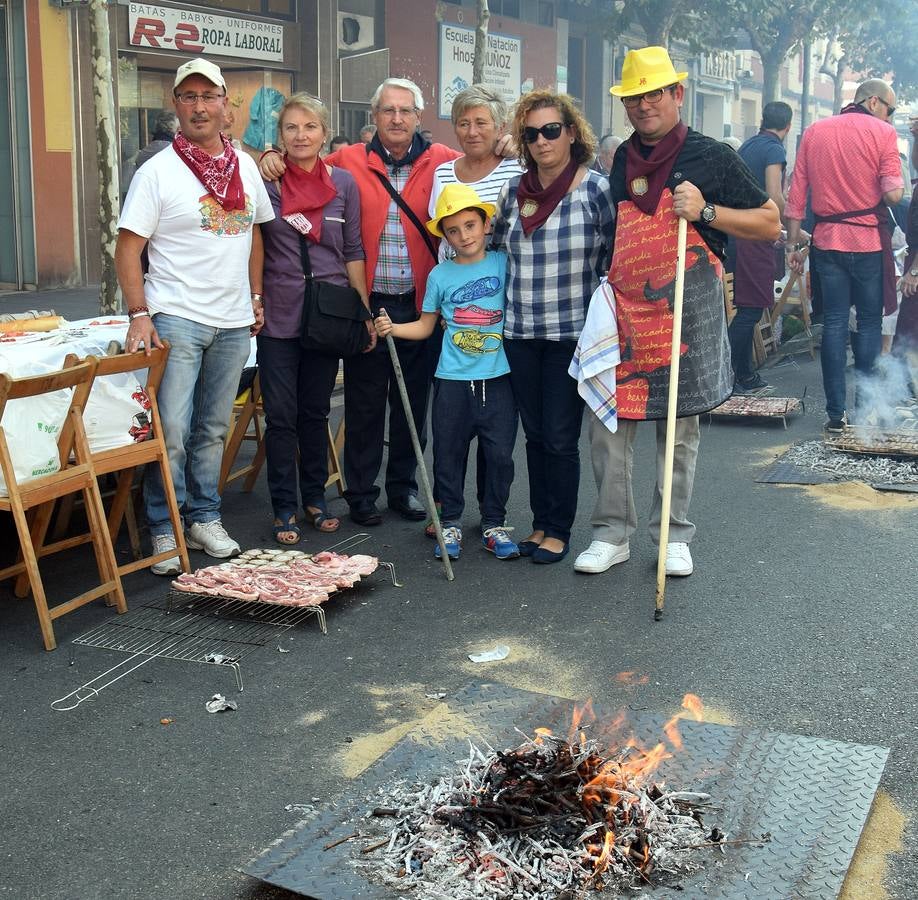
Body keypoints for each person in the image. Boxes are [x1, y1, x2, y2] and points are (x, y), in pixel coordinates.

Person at [573, 46, 779, 578]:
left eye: (655, 94)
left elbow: (770, 222)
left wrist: (707, 211)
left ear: (677, 95)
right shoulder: (622, 160)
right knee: (609, 424)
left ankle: (673, 534)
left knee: (680, 429)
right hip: (627, 310)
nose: (645, 105)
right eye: (635, 97)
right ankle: (611, 533)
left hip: (689, 310)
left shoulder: (713, 155)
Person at [259, 78, 461, 525]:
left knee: (413, 403)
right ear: (374, 116)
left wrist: (505, 144)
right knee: (365, 402)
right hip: (368, 301)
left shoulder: (443, 160)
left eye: (405, 111)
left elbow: (481, 159)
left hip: (422, 302)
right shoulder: (347, 161)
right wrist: (267, 156)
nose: (396, 118)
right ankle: (361, 494)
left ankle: (402, 489)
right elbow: (300, 162)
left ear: (418, 117)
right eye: (387, 110)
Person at [115, 58, 274, 574]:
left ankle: (205, 517)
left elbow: (254, 234)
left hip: (231, 320)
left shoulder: (245, 166)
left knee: (211, 428)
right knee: (174, 429)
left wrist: (255, 296)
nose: (200, 106)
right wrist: (140, 314)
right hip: (177, 315)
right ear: (176, 105)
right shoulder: (158, 170)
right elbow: (128, 246)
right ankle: (165, 527)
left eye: (209, 97)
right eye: (189, 97)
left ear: (226, 105)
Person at [490, 90, 615, 564]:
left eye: (551, 130)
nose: (542, 141)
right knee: (535, 434)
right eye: (531, 133)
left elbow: (611, 260)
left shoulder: (594, 189)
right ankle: (540, 524)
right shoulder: (512, 192)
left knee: (561, 436)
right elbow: (499, 251)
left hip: (571, 335)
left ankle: (559, 529)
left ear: (571, 133)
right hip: (520, 331)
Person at [374, 183, 518, 560]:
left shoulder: (504, 263)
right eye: (453, 230)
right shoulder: (440, 275)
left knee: (500, 455)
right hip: (452, 379)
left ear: (486, 225)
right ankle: (450, 521)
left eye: (470, 225)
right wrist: (394, 329)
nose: (463, 236)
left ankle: (494, 522)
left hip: (499, 377)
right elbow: (425, 325)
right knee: (449, 454)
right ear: (445, 236)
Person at [256, 94, 369, 543]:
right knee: (281, 415)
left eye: (309, 127)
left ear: (324, 132)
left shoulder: (343, 184)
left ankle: (314, 498)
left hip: (328, 314)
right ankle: (283, 506)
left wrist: (360, 313)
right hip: (280, 314)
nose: (300, 136)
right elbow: (253, 245)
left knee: (315, 411)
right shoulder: (267, 183)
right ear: (279, 135)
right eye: (290, 128)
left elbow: (354, 250)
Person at [785, 78, 904, 432]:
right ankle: (865, 407)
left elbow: (797, 194)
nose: (890, 117)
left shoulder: (815, 132)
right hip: (867, 243)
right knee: (868, 324)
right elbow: (894, 196)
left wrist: (793, 245)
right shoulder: (883, 135)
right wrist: (892, 188)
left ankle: (836, 414)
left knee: (834, 324)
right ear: (872, 102)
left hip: (827, 243)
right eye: (890, 109)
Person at [730, 101, 793, 393]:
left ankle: (741, 375)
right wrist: (782, 227)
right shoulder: (774, 149)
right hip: (754, 235)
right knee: (750, 311)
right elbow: (775, 196)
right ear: (787, 127)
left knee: (747, 308)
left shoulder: (748, 146)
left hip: (737, 231)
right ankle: (734, 376)